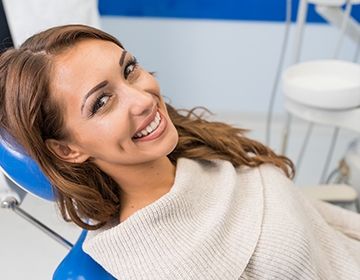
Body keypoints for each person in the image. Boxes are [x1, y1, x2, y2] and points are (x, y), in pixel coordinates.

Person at [0, 24, 359, 279]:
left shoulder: (197, 146)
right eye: (102, 102)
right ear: (67, 148)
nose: (144, 99)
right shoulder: (157, 264)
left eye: (129, 69)